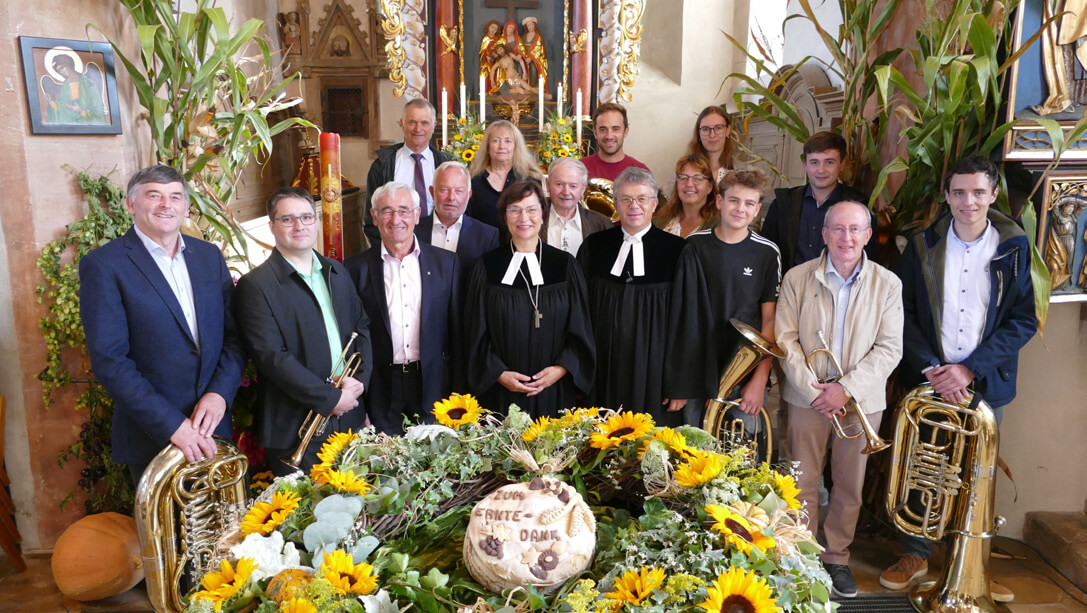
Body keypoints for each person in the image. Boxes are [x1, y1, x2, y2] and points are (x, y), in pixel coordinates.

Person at [880, 155, 1037, 604]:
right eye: (959, 192)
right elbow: (903, 313)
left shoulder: (1014, 245)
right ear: (947, 196)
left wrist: (971, 368)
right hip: (931, 378)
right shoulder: (922, 244)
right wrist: (932, 365)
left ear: (991, 195)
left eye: (978, 192)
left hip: (983, 380)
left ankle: (973, 566)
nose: (969, 202)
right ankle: (915, 554)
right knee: (923, 466)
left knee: (976, 476)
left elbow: (1023, 319)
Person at [79, 165, 244, 484]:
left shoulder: (209, 257)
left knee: (228, 531)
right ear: (131, 204)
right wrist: (172, 425)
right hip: (153, 436)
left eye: (175, 197)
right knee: (169, 535)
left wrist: (220, 394)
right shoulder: (104, 266)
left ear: (185, 206)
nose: (166, 205)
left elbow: (235, 338)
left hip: (214, 427)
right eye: (154, 195)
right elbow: (110, 362)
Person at [776, 200, 903, 599]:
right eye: (838, 229)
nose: (846, 238)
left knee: (849, 485)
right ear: (824, 233)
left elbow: (889, 348)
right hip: (807, 398)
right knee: (801, 481)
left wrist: (845, 388)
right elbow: (785, 339)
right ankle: (802, 556)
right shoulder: (797, 278)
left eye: (855, 230)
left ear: (867, 235)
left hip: (860, 403)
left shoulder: (888, 283)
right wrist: (815, 387)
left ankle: (836, 559)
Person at [235, 187, 373, 475]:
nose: (299, 226)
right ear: (271, 226)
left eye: (307, 217)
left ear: (317, 222)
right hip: (296, 426)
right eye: (287, 219)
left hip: (349, 413)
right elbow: (273, 358)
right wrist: (329, 398)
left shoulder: (337, 271)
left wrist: (358, 382)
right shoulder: (256, 285)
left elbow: (361, 327)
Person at [464, 179, 595, 418]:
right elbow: (474, 332)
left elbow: (581, 328)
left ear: (543, 215)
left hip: (554, 391)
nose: (524, 218)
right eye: (515, 210)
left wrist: (561, 368)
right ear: (505, 217)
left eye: (532, 209)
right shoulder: (486, 267)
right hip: (500, 393)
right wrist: (498, 373)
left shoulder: (565, 266)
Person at [665, 169, 781, 428]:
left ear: (757, 210)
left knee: (740, 454)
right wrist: (680, 379)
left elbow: (770, 320)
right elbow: (679, 316)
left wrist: (760, 379)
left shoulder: (767, 252)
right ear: (719, 202)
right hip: (696, 371)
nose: (741, 209)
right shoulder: (693, 246)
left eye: (749, 203)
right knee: (691, 450)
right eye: (734, 200)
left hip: (743, 374)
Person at [345, 183, 461, 435]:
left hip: (434, 386)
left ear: (418, 215)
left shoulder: (446, 264)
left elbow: (457, 332)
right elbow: (351, 340)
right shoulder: (354, 269)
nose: (396, 219)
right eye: (386, 211)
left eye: (404, 210)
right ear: (374, 217)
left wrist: (458, 394)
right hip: (381, 390)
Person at [577, 167, 687, 419]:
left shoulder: (678, 252)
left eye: (642, 199)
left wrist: (680, 383)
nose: (633, 206)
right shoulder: (595, 247)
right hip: (603, 369)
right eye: (625, 199)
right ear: (615, 203)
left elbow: (688, 322)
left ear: (654, 204)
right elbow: (578, 313)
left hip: (655, 375)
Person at [760, 131, 870, 273]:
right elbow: (766, 253)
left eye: (829, 162)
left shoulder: (858, 206)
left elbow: (866, 258)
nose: (821, 170)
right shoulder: (784, 203)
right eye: (814, 162)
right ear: (805, 164)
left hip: (838, 291)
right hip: (788, 288)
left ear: (842, 164)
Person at [364, 99, 451, 243]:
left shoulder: (444, 164)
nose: (418, 129)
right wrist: (389, 252)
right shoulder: (382, 165)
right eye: (412, 122)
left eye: (424, 123)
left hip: (437, 246)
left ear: (434, 126)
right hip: (394, 247)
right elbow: (371, 219)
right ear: (402, 124)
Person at [416, 161, 500, 271]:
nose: (451, 197)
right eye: (444, 190)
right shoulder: (413, 230)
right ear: (432, 192)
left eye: (459, 191)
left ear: (469, 195)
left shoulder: (487, 237)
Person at [465, 120, 543, 230]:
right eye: (496, 141)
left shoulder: (530, 180)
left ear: (516, 146)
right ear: (487, 146)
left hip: (520, 245)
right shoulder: (473, 180)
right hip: (484, 245)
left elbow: (538, 220)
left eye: (508, 141)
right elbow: (467, 221)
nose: (502, 146)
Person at [541, 157, 612, 256]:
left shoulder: (602, 225)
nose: (566, 192)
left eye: (573, 186)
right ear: (548, 185)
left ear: (583, 189)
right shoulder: (531, 219)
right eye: (559, 184)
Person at [579, 103, 651, 182]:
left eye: (616, 129)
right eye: (603, 129)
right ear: (595, 132)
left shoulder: (641, 172)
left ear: (625, 131)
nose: (609, 136)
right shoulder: (579, 169)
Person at [653, 154, 720, 238]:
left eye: (697, 179)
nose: (689, 184)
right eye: (683, 178)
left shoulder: (719, 225)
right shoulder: (662, 218)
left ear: (709, 187)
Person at [46, 54, 105, 125]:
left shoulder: (88, 84)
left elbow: (97, 112)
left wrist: (80, 111)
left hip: (86, 124)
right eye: (58, 70)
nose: (61, 72)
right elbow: (62, 107)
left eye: (62, 68)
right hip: (71, 126)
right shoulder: (65, 86)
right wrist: (51, 102)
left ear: (69, 65)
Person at [688, 105, 734, 183]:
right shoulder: (684, 169)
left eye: (718, 128)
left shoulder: (745, 171)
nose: (712, 135)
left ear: (727, 131)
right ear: (698, 133)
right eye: (705, 129)